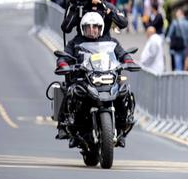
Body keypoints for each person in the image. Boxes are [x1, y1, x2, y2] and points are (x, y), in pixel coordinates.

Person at [54, 12, 136, 142]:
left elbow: (122, 54)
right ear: (83, 28)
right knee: (70, 91)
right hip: (84, 79)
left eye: (95, 27)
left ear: (101, 28)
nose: (92, 30)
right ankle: (64, 125)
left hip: (107, 76)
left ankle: (124, 121)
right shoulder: (75, 42)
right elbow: (64, 56)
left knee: (125, 90)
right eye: (88, 27)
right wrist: (63, 64)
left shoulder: (110, 42)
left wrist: (128, 61)